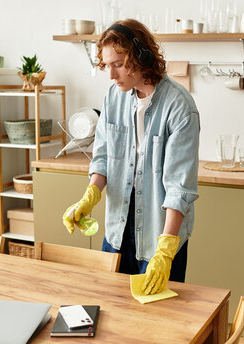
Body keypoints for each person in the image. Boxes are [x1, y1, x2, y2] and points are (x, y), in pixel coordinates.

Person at [62, 19, 200, 295]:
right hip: (117, 231)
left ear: (142, 56)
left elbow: (179, 189)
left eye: (118, 64)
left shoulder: (180, 108)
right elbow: (102, 157)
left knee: (158, 324)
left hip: (159, 235)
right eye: (107, 65)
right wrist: (91, 195)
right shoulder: (114, 96)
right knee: (109, 308)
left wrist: (166, 250)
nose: (111, 75)